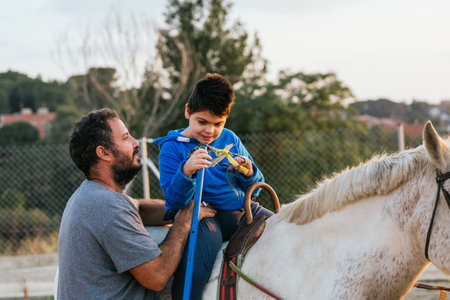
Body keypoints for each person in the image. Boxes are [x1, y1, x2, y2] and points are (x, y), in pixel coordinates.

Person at [57, 108, 216, 299]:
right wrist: (184, 221)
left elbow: (138, 207)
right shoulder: (108, 207)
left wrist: (180, 206)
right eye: (125, 138)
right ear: (104, 152)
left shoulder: (91, 195)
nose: (135, 143)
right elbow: (157, 277)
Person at [155, 73, 273, 299]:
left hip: (242, 210)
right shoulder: (172, 148)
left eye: (218, 123)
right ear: (188, 112)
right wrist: (186, 171)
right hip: (205, 217)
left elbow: (257, 188)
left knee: (282, 226)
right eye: (202, 122)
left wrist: (249, 172)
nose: (210, 131)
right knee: (200, 257)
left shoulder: (230, 138)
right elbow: (174, 201)